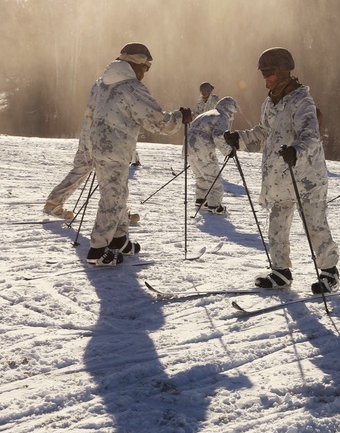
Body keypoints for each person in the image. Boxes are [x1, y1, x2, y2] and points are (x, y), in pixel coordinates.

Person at [224, 47, 340, 294]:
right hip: (279, 177)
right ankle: (281, 271)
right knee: (276, 225)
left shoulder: (302, 101)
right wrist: (240, 138)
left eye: (271, 73)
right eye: (264, 73)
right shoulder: (270, 102)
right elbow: (264, 131)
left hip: (306, 177)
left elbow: (310, 134)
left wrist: (296, 150)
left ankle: (329, 272)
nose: (266, 78)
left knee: (315, 225)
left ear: (285, 71)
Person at [78, 43, 191, 266]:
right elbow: (156, 121)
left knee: (118, 193)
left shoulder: (102, 83)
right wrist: (180, 117)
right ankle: (98, 249)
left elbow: (89, 112)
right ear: (137, 64)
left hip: (99, 146)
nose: (144, 74)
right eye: (145, 68)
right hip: (116, 148)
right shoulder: (131, 87)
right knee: (112, 197)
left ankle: (118, 239)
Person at [187, 96, 239, 214]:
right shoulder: (222, 117)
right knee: (214, 178)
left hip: (189, 147)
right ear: (229, 109)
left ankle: (201, 199)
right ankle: (215, 206)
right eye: (232, 112)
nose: (232, 115)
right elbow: (219, 136)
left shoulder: (207, 114)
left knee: (201, 175)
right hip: (203, 148)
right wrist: (228, 150)